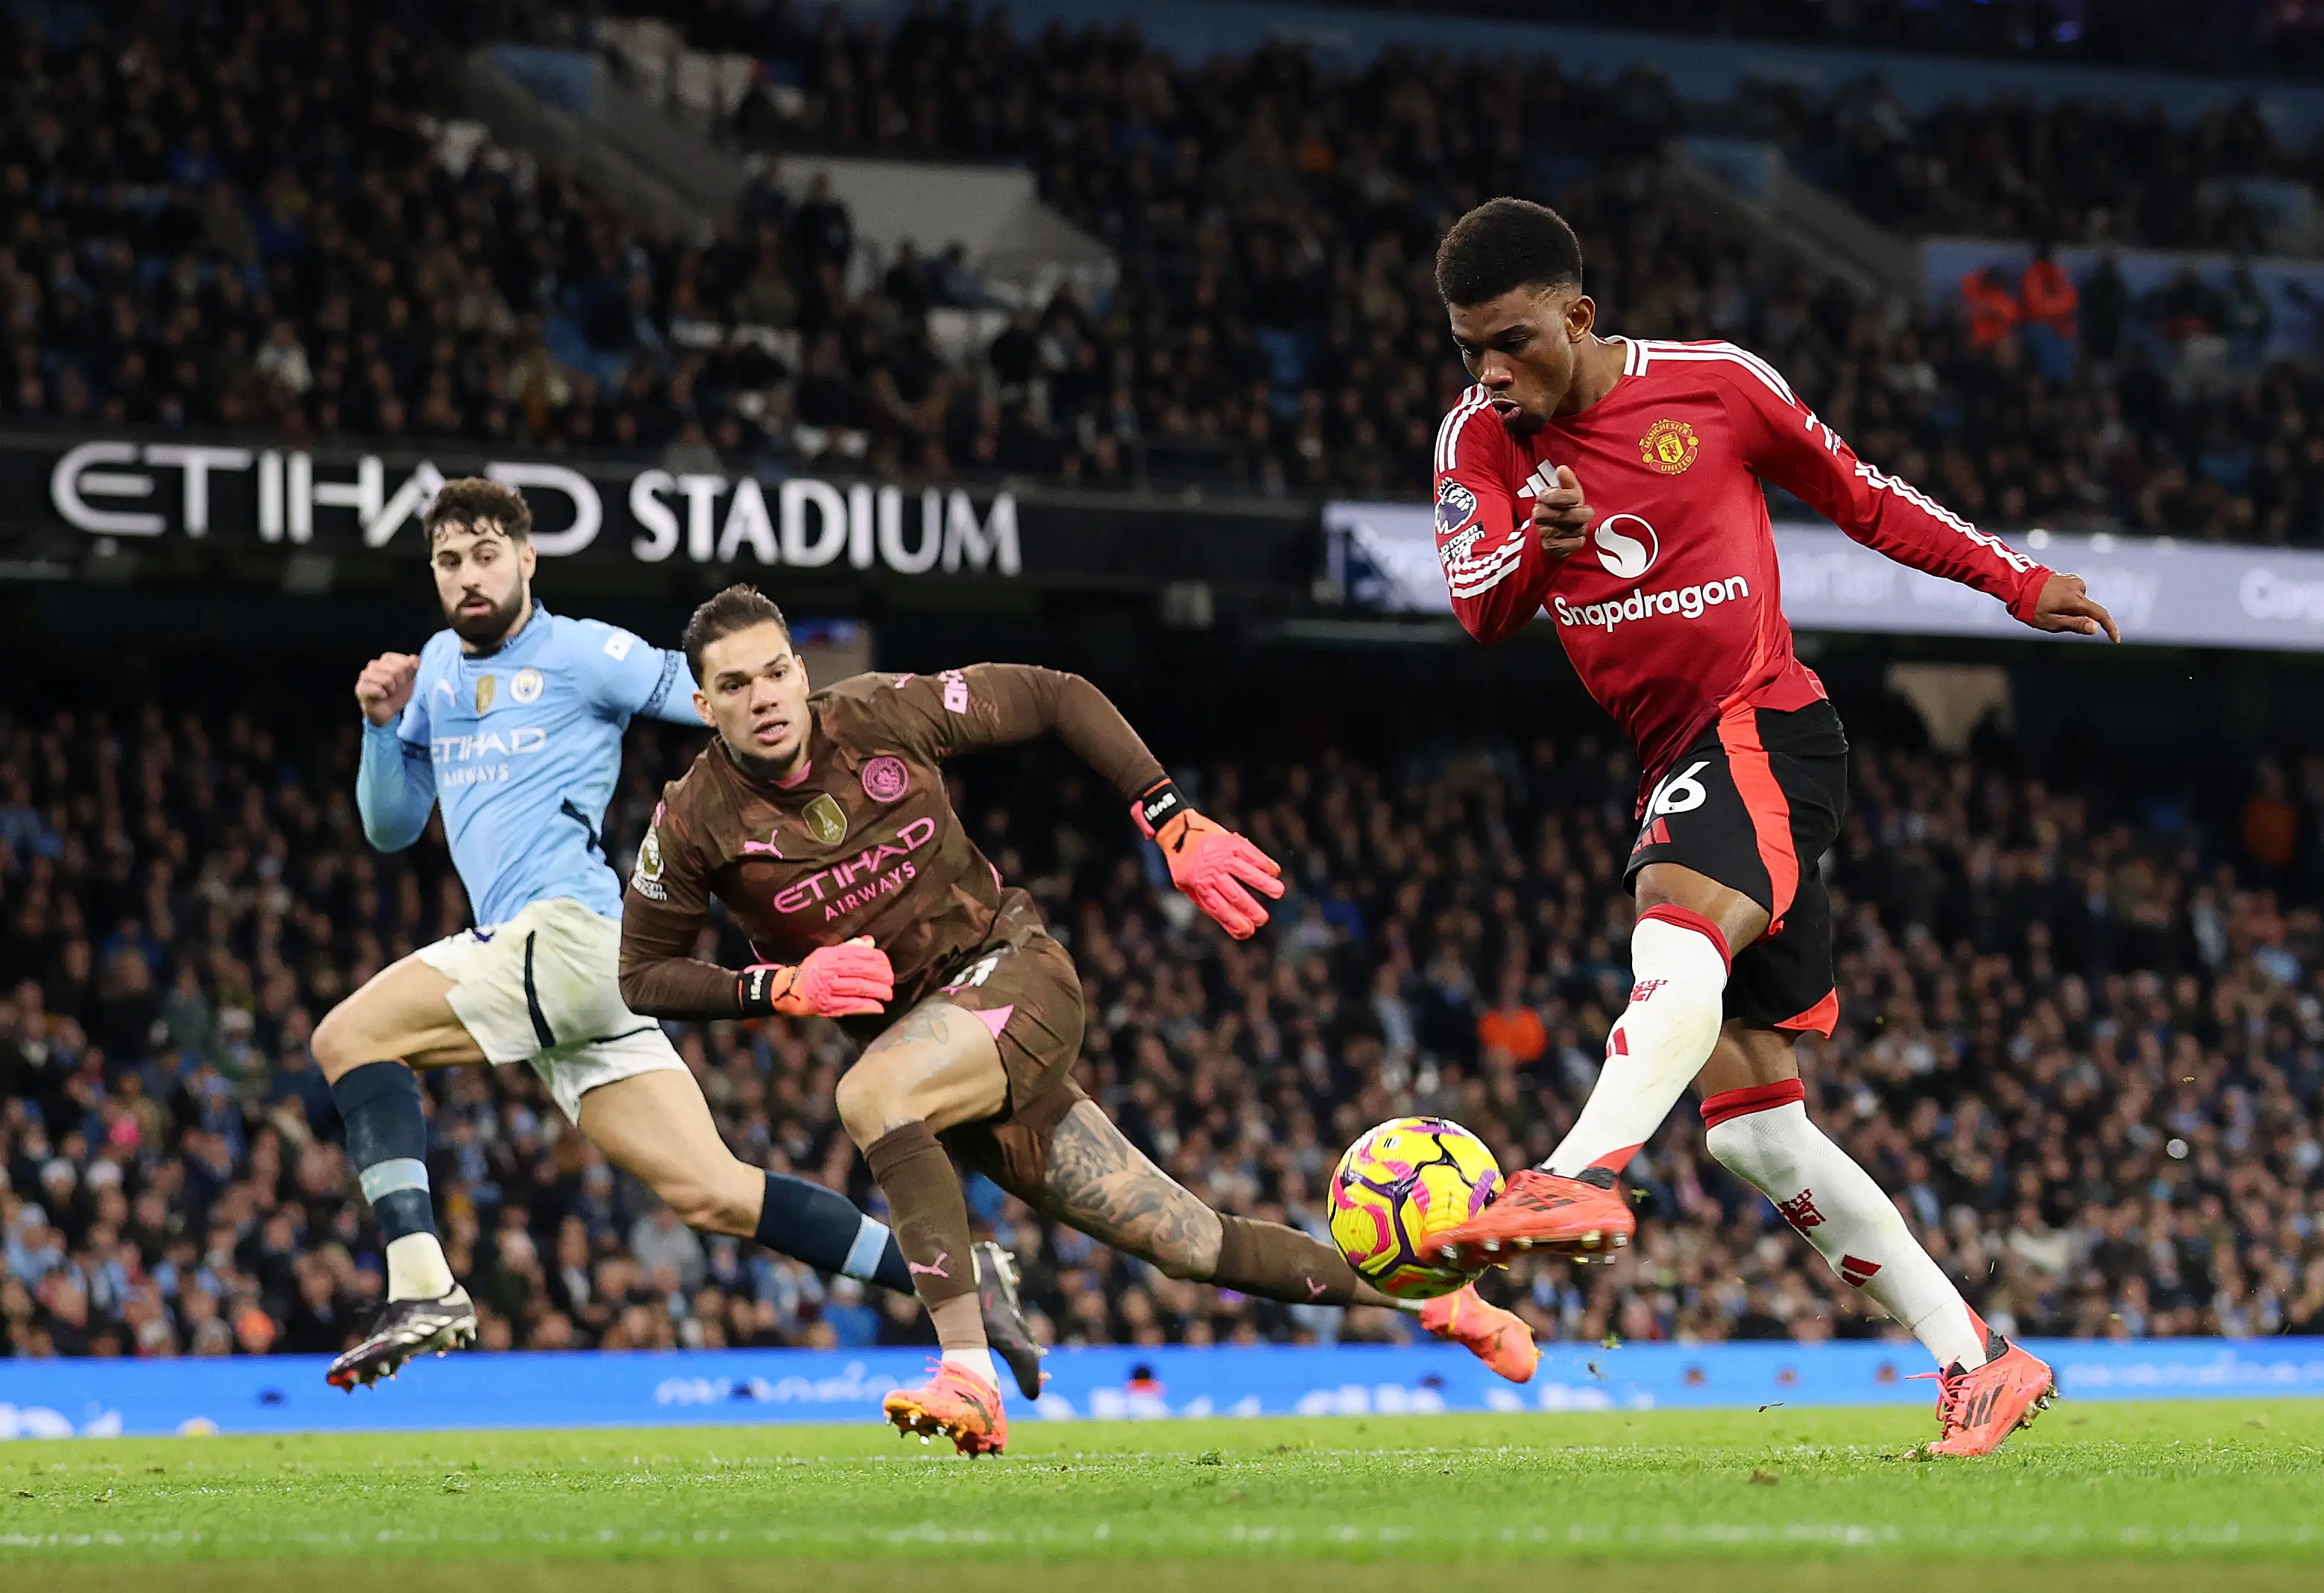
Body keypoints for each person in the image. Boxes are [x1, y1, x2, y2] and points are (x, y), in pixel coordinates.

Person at [1417, 199, 2120, 1457]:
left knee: (1671, 928)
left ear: (1577, 316)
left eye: (1513, 341)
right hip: (1668, 758)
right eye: (1470, 347)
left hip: (1760, 726)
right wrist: (1537, 539)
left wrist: (2016, 580)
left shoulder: (1716, 388)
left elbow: (1860, 495)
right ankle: (1982, 1363)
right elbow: (1476, 610)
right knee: (1755, 1131)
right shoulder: (1478, 439)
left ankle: (1579, 1170)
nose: (1491, 372)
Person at [617, 584, 1543, 1456]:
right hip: (943, 1061)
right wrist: (775, 988)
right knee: (1185, 1240)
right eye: (735, 684)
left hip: (1013, 974)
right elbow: (643, 976)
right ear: (705, 705)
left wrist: (1171, 819)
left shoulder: (884, 712)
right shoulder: (694, 821)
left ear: (800, 671)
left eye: (777, 670)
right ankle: (1435, 1302)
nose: (765, 697)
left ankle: (966, 1374)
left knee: (870, 1091)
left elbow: (1058, 696)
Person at [317, 479, 1038, 1394]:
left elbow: (704, 695)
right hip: (569, 967)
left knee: (347, 1036)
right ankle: (962, 1278)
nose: (470, 574)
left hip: (564, 932)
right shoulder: (435, 671)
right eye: (451, 559)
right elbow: (390, 826)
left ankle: (421, 1284)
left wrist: (809, 754)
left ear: (527, 560)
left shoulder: (584, 653)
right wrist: (382, 729)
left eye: (488, 554)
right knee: (715, 1191)